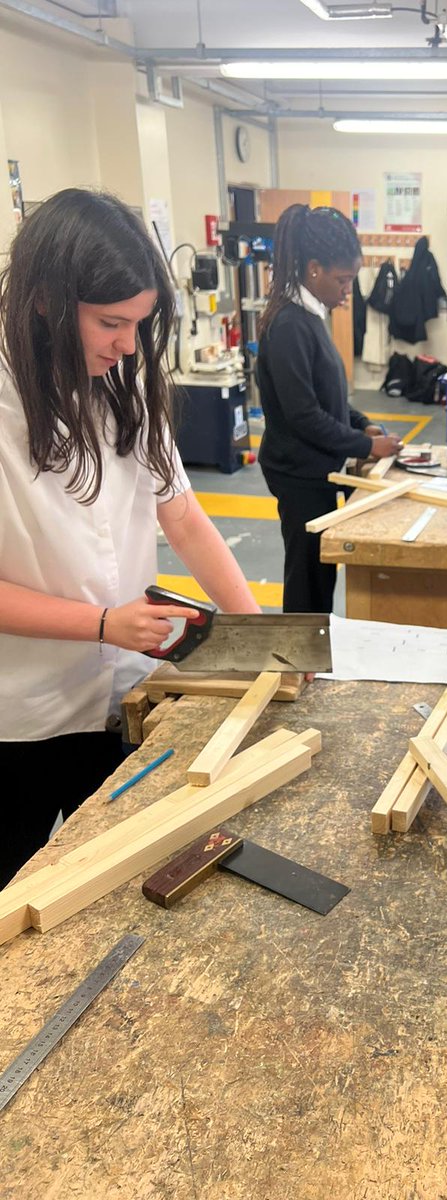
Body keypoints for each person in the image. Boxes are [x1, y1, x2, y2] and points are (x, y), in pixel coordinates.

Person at [0, 188, 261, 888]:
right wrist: (103, 622)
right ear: (46, 302)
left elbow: (182, 514)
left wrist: (259, 630)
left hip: (118, 693)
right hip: (16, 713)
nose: (127, 344)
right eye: (112, 322)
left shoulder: (122, 383)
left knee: (114, 882)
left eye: (140, 325)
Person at [256, 205, 402, 613]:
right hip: (298, 471)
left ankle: (313, 656)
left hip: (316, 465)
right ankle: (299, 666)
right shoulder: (288, 325)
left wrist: (363, 425)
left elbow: (328, 396)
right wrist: (363, 445)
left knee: (321, 571)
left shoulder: (310, 317)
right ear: (314, 269)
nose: (347, 291)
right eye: (343, 280)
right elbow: (303, 415)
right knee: (306, 575)